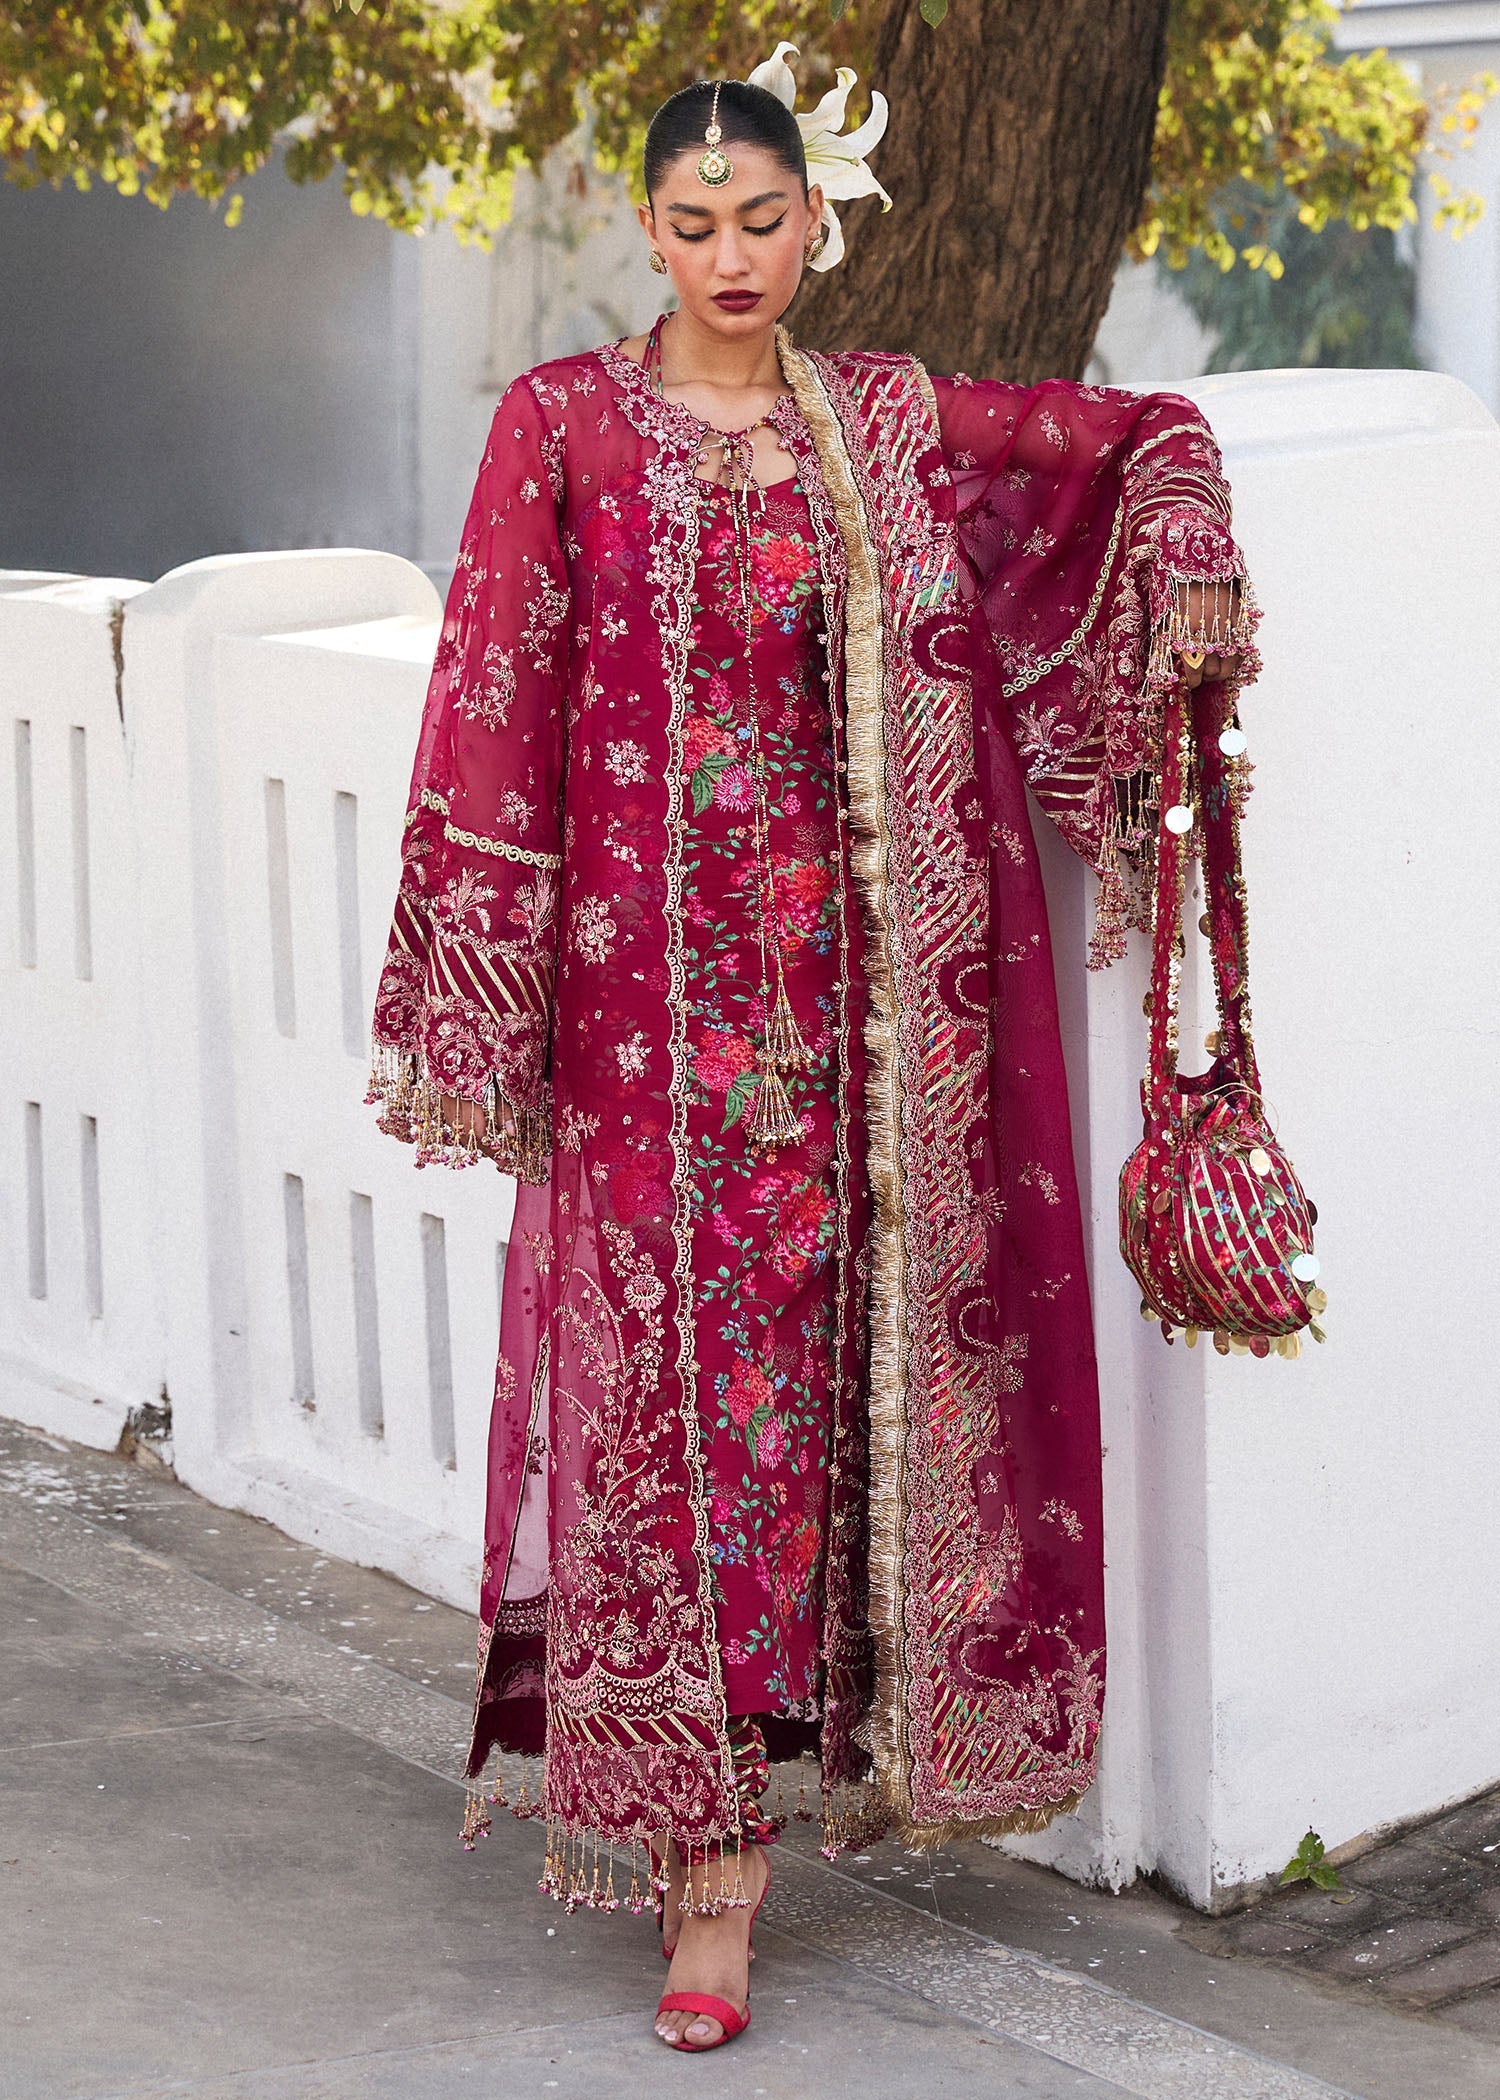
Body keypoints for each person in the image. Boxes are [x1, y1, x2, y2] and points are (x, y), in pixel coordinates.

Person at [366, 45, 1254, 2054]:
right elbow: (496, 683)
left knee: (840, 1418)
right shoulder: (567, 427)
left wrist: (1182, 526)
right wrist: (487, 986)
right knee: (683, 1424)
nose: (733, 257)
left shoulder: (888, 422)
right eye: (694, 226)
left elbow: (1108, 446)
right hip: (653, 1034)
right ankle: (709, 1877)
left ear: (815, 218)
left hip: (876, 1042)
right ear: (646, 231)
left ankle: (827, 1775)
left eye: (766, 221)